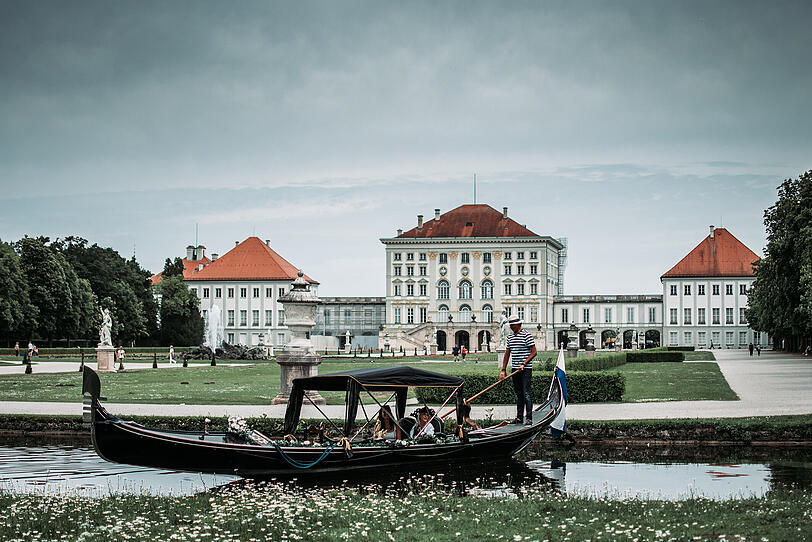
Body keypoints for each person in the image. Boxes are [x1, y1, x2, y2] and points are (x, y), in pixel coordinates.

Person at [500, 315, 537, 426]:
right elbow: (507, 354)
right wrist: (503, 370)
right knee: (518, 394)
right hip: (515, 369)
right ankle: (520, 418)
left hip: (525, 369)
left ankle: (529, 418)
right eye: (510, 325)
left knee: (526, 393)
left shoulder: (527, 335)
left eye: (512, 325)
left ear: (518, 324)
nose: (511, 327)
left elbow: (534, 352)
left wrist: (524, 363)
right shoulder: (510, 337)